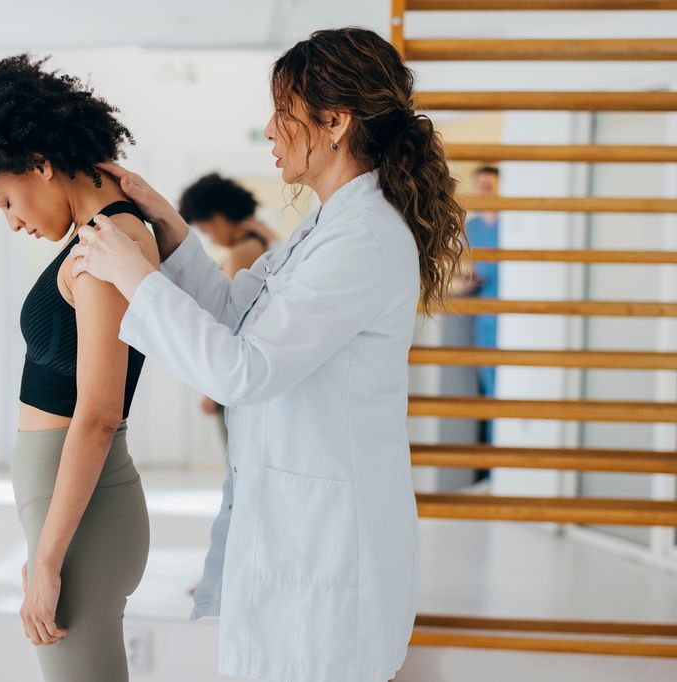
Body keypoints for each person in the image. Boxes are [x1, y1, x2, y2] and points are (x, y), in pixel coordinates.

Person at [70, 28, 467, 682]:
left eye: (283, 111)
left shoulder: (363, 238)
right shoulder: (324, 226)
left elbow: (242, 371)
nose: (269, 131)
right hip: (299, 539)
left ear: (335, 122)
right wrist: (166, 226)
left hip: (329, 555)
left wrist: (130, 275)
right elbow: (234, 316)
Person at [0, 53, 157, 682]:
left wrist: (49, 559)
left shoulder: (108, 243)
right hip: (73, 512)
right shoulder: (99, 238)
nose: (11, 220)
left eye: (2, 200)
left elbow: (99, 414)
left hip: (84, 519)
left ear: (41, 165)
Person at [178, 172, 275, 443]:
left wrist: (211, 392)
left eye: (207, 230)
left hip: (235, 372)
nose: (210, 239)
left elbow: (233, 323)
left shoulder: (240, 254)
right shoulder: (264, 241)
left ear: (219, 218)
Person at [463, 166, 500, 460]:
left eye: (488, 186)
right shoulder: (472, 228)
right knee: (489, 392)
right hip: (485, 318)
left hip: (510, 318)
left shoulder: (514, 226)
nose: (483, 193)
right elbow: (474, 271)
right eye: (480, 187)